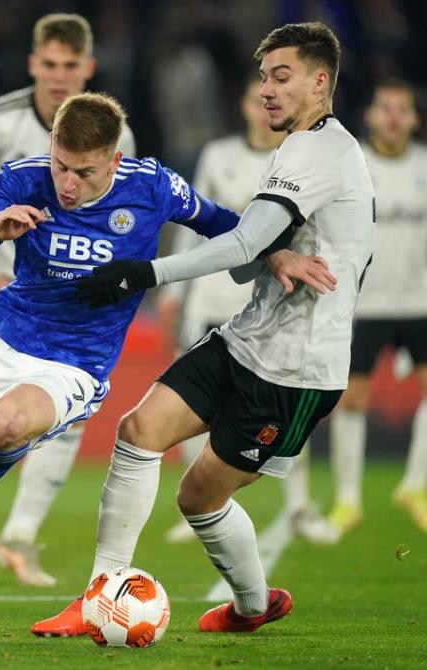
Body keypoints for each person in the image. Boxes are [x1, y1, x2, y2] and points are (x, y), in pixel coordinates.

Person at [0, 91, 326, 635]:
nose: (66, 184)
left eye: (83, 172)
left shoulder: (152, 186)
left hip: (74, 362)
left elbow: (225, 222)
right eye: (60, 165)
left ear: (114, 160)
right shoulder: (22, 176)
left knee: (9, 423)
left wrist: (275, 252)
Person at [36, 21, 372, 637]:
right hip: (247, 337)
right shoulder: (298, 144)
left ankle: (252, 605)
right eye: (264, 76)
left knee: (198, 498)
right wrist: (271, 256)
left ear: (321, 82)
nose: (267, 89)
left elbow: (243, 238)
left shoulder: (323, 151)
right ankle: (95, 600)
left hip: (296, 368)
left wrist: (140, 273)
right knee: (138, 432)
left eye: (283, 76)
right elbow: (252, 252)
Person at [0, 12, 136, 588]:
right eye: (50, 64)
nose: (60, 77)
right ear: (33, 63)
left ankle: (18, 537)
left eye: (71, 66)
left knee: (62, 415)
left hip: (58, 290)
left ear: (88, 68)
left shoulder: (113, 134)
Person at [158, 74, 339, 546]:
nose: (263, 108)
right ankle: (196, 505)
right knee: (194, 404)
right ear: (244, 105)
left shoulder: (296, 161)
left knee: (280, 406)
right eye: (254, 98)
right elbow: (190, 221)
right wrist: (173, 293)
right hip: (211, 300)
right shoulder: (219, 156)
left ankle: (299, 506)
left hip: (270, 306)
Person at [327, 79, 427, 534]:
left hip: (419, 301)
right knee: (354, 398)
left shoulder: (424, 165)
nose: (393, 116)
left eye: (402, 109)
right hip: (364, 302)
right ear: (369, 115)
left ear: (414, 119)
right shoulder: (353, 165)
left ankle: (414, 485)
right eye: (385, 107)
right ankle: (348, 500)